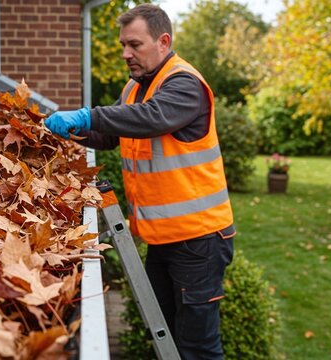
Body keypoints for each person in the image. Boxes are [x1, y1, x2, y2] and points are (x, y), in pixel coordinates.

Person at [45, 4, 235, 359]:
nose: (125, 54)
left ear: (163, 41)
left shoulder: (184, 84)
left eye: (134, 45)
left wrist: (89, 114)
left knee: (197, 346)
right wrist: (74, 130)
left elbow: (151, 118)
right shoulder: (135, 88)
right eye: (123, 45)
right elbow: (111, 135)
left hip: (199, 239)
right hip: (162, 235)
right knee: (163, 334)